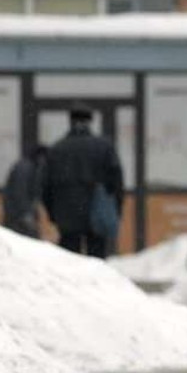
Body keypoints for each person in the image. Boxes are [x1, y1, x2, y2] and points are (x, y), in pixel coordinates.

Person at [42, 104, 124, 258]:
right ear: (90, 122)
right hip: (96, 213)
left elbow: (45, 187)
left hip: (66, 215)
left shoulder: (57, 149)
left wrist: (53, 214)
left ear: (70, 121)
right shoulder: (104, 147)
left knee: (69, 261)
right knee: (97, 261)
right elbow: (116, 183)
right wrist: (115, 210)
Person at [2, 145, 47, 238]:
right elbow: (20, 193)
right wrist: (26, 213)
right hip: (18, 216)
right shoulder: (25, 168)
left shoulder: (28, 166)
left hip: (18, 214)